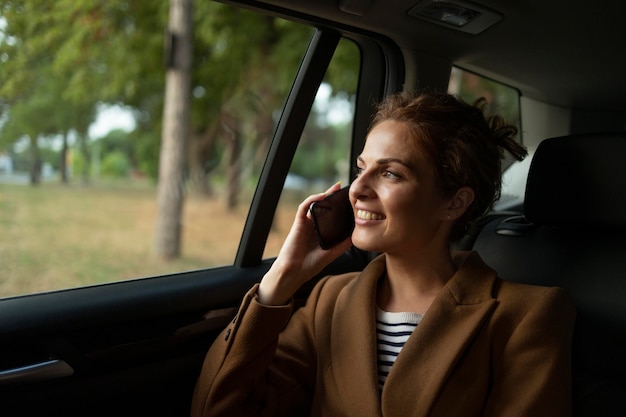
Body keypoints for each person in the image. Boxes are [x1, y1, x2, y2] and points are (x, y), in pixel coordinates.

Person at [191, 90, 576, 417]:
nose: (357, 189)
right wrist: (281, 280)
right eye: (361, 169)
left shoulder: (527, 315)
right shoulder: (330, 299)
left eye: (390, 173)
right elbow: (218, 408)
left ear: (454, 203)